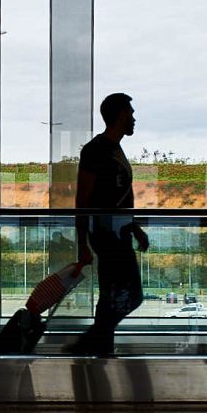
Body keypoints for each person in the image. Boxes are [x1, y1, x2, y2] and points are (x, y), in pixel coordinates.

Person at [68, 93, 149, 356]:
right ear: (120, 115)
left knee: (111, 296)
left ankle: (99, 347)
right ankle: (93, 341)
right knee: (131, 295)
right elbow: (82, 200)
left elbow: (120, 198)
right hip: (106, 234)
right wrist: (83, 244)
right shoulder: (95, 150)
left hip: (118, 232)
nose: (134, 118)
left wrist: (134, 227)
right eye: (130, 113)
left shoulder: (114, 148)